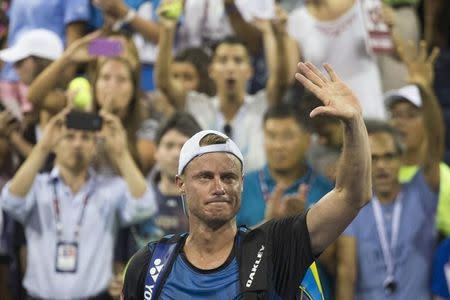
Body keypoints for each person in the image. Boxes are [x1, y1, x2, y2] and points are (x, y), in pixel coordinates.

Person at [122, 61, 372, 299]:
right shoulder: (148, 265)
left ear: (242, 183)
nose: (219, 187)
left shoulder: (276, 249)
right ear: (181, 184)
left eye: (228, 177)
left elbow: (351, 196)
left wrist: (353, 123)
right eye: (205, 177)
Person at [1, 106, 157, 299]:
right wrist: (42, 147)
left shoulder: (110, 189)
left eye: (85, 138)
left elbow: (145, 205)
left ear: (94, 146)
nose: (77, 144)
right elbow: (10, 201)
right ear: (56, 143)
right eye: (69, 136)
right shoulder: (37, 186)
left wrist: (121, 153)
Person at [156, 13, 283, 172]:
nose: (230, 68)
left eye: (238, 60)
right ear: (211, 71)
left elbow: (281, 79)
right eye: (223, 60)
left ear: (250, 71)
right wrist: (167, 31)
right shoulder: (196, 105)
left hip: (255, 193)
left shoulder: (262, 104)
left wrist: (277, 36)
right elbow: (164, 83)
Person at [236, 102, 335, 298]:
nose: (278, 145)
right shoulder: (239, 188)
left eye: (288, 136)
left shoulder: (327, 190)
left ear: (308, 140)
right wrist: (270, 225)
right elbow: (224, 254)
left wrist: (305, 227)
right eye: (271, 135)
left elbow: (336, 263)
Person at [337, 118, 441, 299]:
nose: (381, 166)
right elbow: (347, 273)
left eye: (389, 156)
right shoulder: (352, 207)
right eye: (373, 158)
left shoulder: (421, 193)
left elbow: (435, 141)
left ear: (401, 158)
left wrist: (424, 89)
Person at [384, 38, 450, 237]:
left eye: (411, 115)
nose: (399, 123)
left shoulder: (443, 177)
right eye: (395, 115)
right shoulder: (379, 172)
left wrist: (423, 87)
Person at [287, 0, 386, 119]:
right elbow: (290, 77)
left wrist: (392, 29)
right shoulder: (296, 19)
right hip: (327, 110)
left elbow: (391, 52)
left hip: (370, 104)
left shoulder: (367, 3)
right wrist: (277, 35)